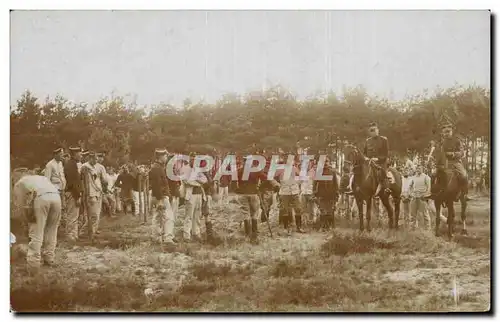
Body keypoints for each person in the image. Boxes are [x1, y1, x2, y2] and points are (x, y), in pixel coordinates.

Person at [12, 175, 62, 270]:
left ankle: (33, 264)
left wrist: (27, 221)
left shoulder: (20, 183)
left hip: (41, 198)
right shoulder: (41, 178)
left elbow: (21, 205)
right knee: (52, 230)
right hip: (56, 198)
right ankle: (49, 258)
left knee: (36, 232)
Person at [236, 155, 279, 244]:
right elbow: (267, 179)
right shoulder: (256, 170)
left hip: (243, 194)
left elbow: (233, 182)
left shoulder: (239, 170)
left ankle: (248, 234)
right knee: (254, 214)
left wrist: (238, 190)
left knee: (246, 213)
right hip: (254, 194)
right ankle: (254, 234)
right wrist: (269, 185)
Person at [435, 121, 469, 201]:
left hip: (455, 162)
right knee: (434, 174)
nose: (446, 134)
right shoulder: (441, 142)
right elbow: (438, 153)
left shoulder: (457, 141)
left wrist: (453, 154)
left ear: (451, 131)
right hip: (443, 162)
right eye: (444, 132)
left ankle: (464, 194)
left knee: (464, 175)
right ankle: (435, 193)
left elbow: (462, 152)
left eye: (448, 131)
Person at [149, 149, 176, 246]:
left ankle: (156, 237)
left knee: (157, 217)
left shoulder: (157, 167)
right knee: (169, 217)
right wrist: (160, 199)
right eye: (165, 156)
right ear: (160, 157)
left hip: (159, 196)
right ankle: (168, 238)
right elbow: (157, 185)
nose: (166, 158)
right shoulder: (157, 168)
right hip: (161, 196)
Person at [79, 151, 107, 237]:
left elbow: (103, 180)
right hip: (90, 193)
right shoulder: (85, 167)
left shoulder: (99, 167)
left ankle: (91, 232)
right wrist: (84, 193)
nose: (96, 160)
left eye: (97, 159)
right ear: (90, 158)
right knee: (93, 214)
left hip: (98, 192)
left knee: (97, 214)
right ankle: (84, 232)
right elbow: (82, 181)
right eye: (95, 159)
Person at [63, 147, 83, 242]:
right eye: (80, 154)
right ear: (74, 154)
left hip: (73, 192)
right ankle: (70, 236)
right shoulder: (71, 165)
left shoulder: (72, 164)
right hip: (72, 193)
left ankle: (74, 236)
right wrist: (77, 196)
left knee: (74, 215)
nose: (81, 156)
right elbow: (73, 183)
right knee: (72, 215)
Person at [314, 157, 339, 230]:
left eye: (327, 161)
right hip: (321, 194)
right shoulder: (319, 172)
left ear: (329, 162)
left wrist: (336, 192)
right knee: (322, 210)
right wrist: (314, 192)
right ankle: (323, 226)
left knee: (330, 211)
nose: (325, 163)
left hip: (331, 194)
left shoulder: (332, 172)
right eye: (324, 162)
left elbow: (335, 184)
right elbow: (315, 183)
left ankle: (330, 226)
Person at [409, 165, 432, 230]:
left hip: (422, 198)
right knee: (412, 215)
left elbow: (429, 188)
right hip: (414, 197)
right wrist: (411, 194)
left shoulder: (426, 177)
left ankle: (428, 229)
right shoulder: (413, 177)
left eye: (419, 168)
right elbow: (410, 187)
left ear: (422, 169)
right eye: (417, 168)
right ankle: (412, 229)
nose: (418, 170)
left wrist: (425, 195)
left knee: (425, 214)